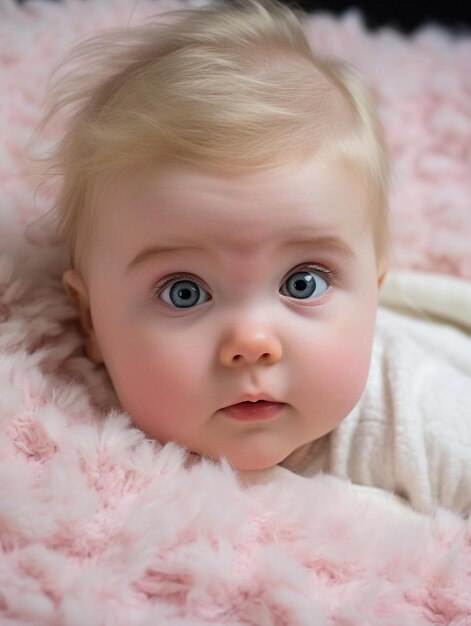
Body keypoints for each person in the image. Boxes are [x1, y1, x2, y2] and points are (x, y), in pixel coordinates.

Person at [33, 0, 471, 514]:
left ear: (374, 293)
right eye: (184, 292)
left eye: (302, 283)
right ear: (91, 319)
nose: (252, 343)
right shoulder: (84, 449)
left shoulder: (424, 416)